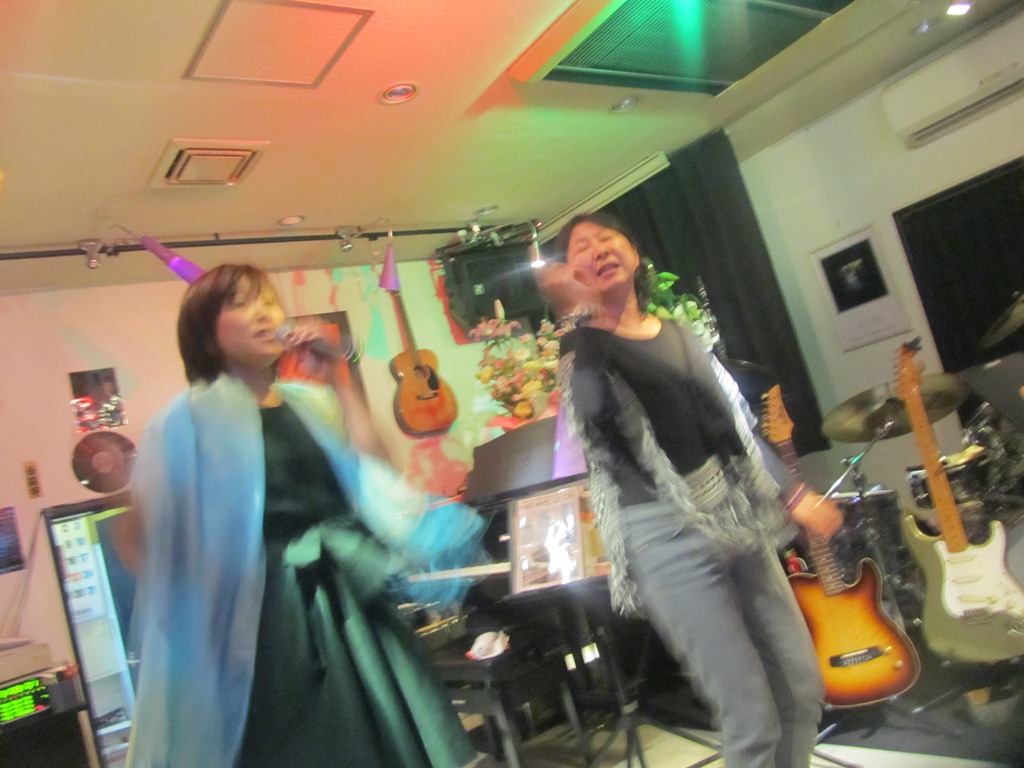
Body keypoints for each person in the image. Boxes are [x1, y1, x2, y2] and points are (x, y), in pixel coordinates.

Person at [120, 264, 483, 768]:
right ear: (204, 332)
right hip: (267, 618)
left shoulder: (309, 402)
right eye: (242, 303)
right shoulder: (186, 422)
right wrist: (206, 614)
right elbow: (138, 539)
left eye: (268, 300)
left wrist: (339, 379)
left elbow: (374, 470)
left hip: (346, 597)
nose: (264, 312)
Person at [534, 212, 844, 768]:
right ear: (570, 272)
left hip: (736, 516)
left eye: (607, 237)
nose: (598, 248)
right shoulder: (583, 349)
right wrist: (580, 320)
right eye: (581, 246)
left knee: (801, 690)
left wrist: (793, 493)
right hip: (663, 536)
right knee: (751, 718)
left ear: (634, 253)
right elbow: (594, 416)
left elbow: (735, 424)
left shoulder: (678, 336)